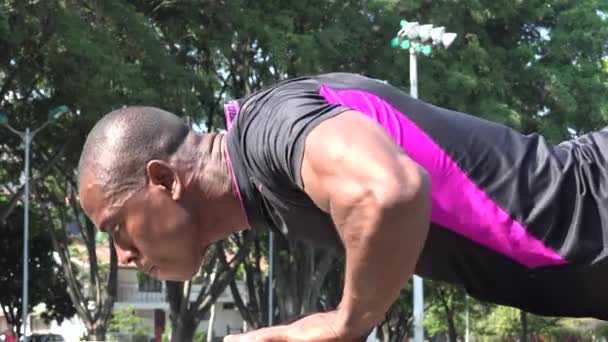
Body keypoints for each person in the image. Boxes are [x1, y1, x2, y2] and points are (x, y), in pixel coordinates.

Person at [78, 72, 608, 342]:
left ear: (164, 180)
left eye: (116, 227)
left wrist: (343, 325)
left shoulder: (268, 130)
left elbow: (388, 193)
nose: (122, 255)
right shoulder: (269, 179)